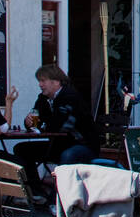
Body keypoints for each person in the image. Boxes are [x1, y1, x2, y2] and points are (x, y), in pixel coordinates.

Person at [14, 65, 99, 200]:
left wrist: (42, 126)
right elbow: (36, 119)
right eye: (39, 81)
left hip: (82, 145)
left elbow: (61, 126)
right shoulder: (43, 98)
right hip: (58, 145)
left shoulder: (70, 97)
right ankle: (35, 193)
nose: (40, 85)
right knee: (21, 149)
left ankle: (55, 200)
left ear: (56, 82)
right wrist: (28, 122)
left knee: (68, 155)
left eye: (43, 81)